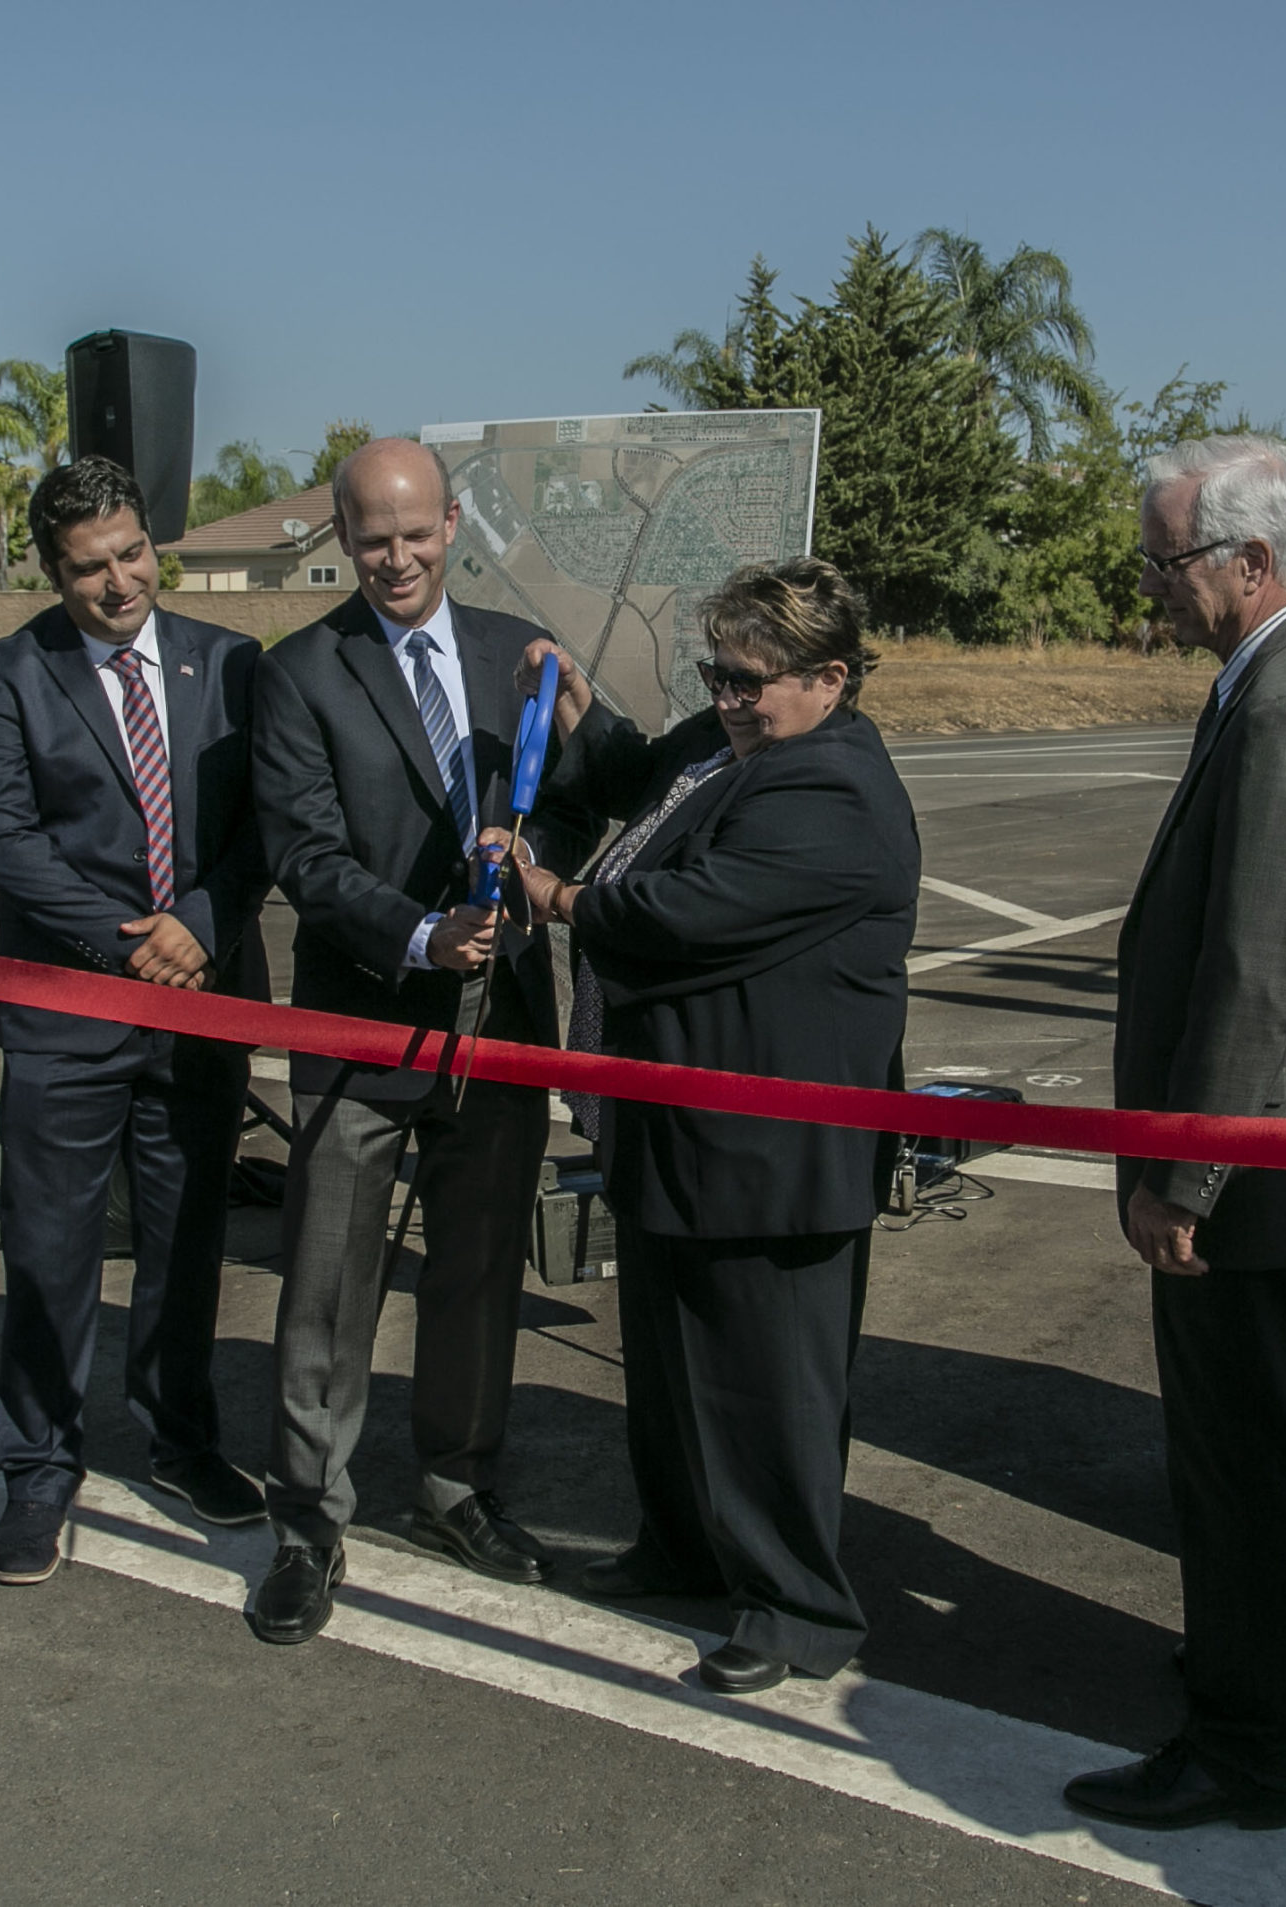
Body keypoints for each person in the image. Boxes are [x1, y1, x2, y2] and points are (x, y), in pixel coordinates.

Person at [1064, 436, 1286, 1831]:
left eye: (1167, 562)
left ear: (1250, 561)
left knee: (1252, 1463)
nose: (1151, 586)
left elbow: (1265, 962)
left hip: (1260, 1163)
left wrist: (1181, 1172)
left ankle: (1246, 1739)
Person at [507, 557, 918, 1695]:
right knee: (676, 1368)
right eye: (717, 672)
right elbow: (645, 769)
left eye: (752, 680)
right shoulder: (731, 741)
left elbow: (680, 913)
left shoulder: (828, 784)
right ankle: (682, 1547)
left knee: (766, 1385)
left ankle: (797, 1607)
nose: (728, 698)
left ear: (830, 677)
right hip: (674, 1122)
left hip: (768, 1148)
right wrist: (584, 709)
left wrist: (553, 897)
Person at [244, 436, 595, 1645]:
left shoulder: (516, 653)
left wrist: (574, 754)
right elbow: (303, 849)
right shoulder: (300, 671)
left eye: (414, 531)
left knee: (477, 1269)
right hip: (362, 1019)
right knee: (328, 1285)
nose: (395, 557)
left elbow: (577, 798)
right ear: (340, 538)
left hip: (498, 1029)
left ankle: (455, 1485)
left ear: (453, 523)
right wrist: (416, 934)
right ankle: (306, 1517)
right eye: (370, 537)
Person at [0, 457, 273, 1586]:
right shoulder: (5, 675)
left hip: (203, 1002)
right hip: (68, 1009)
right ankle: (38, 1467)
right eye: (90, 567)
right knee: (49, 1245)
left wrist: (198, 920)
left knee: (188, 1242)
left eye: (132, 552)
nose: (119, 581)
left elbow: (266, 827)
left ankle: (181, 1440)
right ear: (53, 570)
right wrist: (131, 939)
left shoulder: (231, 663)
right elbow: (5, 842)